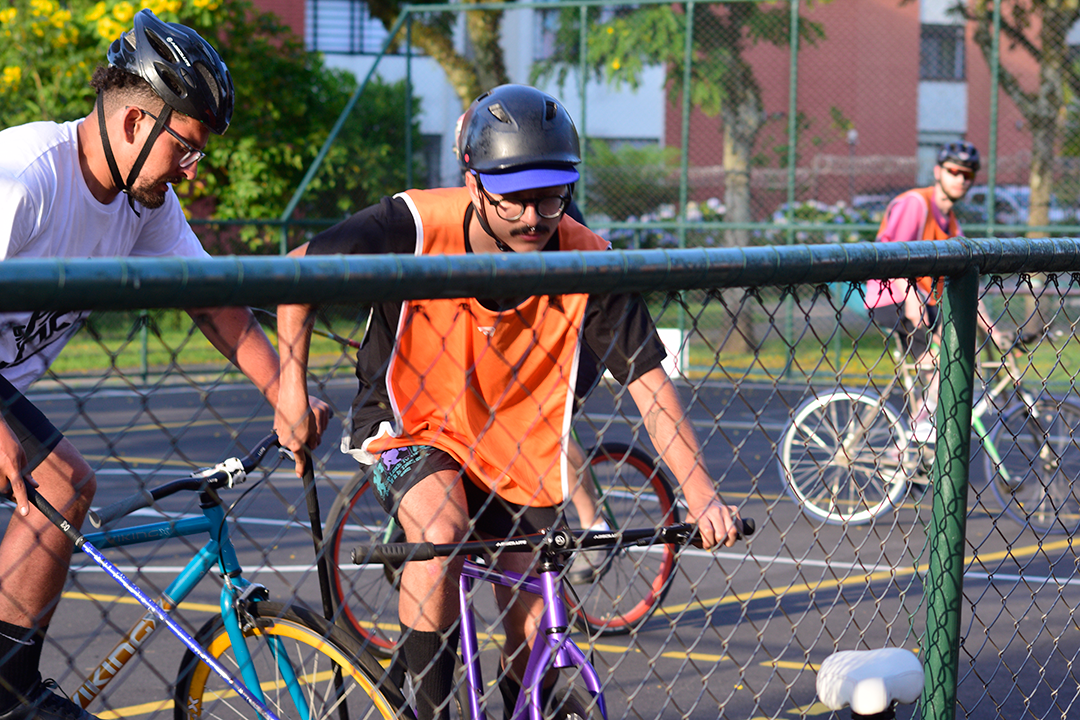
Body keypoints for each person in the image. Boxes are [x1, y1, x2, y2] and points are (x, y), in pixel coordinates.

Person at [274, 84, 742, 720]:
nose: (534, 216)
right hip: (413, 422)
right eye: (514, 197)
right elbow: (296, 274)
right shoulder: (414, 224)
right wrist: (290, 393)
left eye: (551, 196)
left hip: (515, 438)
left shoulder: (589, 260)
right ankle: (429, 711)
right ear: (474, 185)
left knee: (536, 599)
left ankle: (524, 700)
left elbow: (650, 386)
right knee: (440, 533)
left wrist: (701, 493)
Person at [0, 11, 329, 720]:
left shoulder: (143, 204)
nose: (191, 168)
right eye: (185, 147)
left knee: (57, 491)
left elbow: (209, 301)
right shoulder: (24, 177)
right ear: (133, 122)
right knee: (64, 482)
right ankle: (9, 692)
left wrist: (285, 392)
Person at [864, 141, 998, 441]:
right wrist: (911, 298)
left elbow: (967, 283)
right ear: (938, 171)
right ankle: (923, 418)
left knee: (960, 346)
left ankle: (920, 430)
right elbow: (893, 255)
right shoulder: (916, 204)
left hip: (923, 300)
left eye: (967, 174)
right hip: (892, 296)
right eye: (953, 171)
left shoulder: (951, 223)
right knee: (939, 355)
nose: (960, 179)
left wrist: (992, 327)